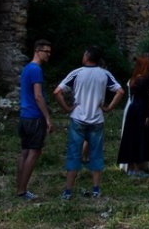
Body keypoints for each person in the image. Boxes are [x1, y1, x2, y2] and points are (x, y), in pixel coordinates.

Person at [54, 46, 125, 200]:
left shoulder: (77, 73)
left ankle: (68, 191)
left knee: (74, 154)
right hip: (97, 118)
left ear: (86, 57)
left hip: (78, 117)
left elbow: (57, 92)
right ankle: (96, 189)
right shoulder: (104, 74)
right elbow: (120, 91)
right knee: (96, 154)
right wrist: (108, 108)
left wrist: (67, 108)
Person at [16, 39, 53, 200]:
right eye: (46, 51)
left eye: (49, 52)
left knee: (25, 152)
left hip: (24, 116)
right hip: (34, 117)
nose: (48, 55)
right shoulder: (36, 70)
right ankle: (22, 191)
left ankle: (20, 187)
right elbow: (38, 96)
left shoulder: (26, 69)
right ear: (37, 50)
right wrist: (47, 118)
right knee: (34, 152)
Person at [116, 56, 149, 177]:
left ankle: (131, 167)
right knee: (140, 138)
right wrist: (148, 114)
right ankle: (138, 168)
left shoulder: (133, 79)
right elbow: (146, 99)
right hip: (141, 110)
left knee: (131, 137)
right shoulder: (144, 80)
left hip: (132, 108)